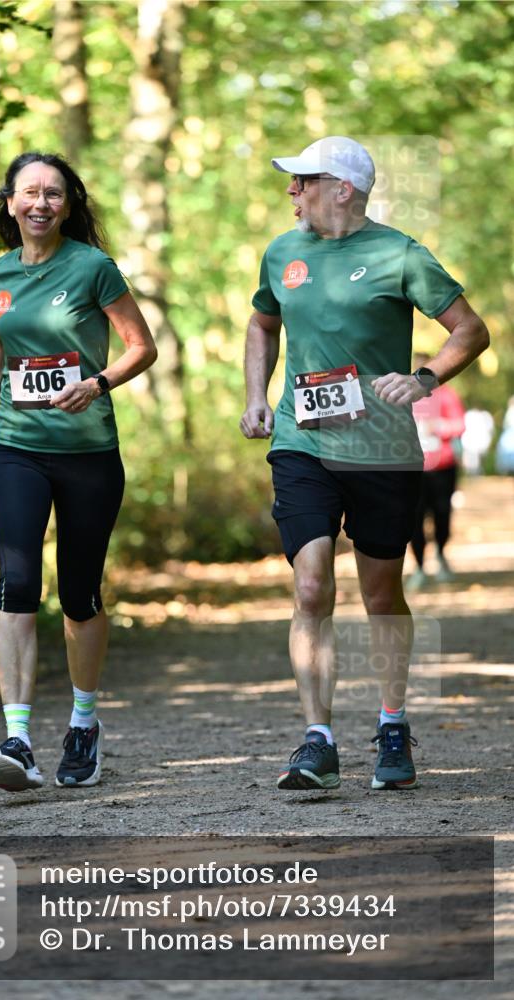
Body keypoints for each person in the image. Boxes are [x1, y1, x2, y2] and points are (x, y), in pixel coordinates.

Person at [240, 136, 489, 792]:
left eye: (302, 180)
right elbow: (262, 325)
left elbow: (469, 329)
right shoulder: (282, 253)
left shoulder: (397, 254)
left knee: (381, 594)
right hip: (302, 441)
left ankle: (391, 721)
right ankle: (317, 738)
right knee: (311, 583)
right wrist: (255, 397)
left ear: (340, 189)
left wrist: (424, 379)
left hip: (381, 449)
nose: (291, 190)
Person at [0, 152, 157, 792]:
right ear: (11, 203)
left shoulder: (93, 267)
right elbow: (0, 335)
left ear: (68, 205)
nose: (40, 203)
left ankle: (83, 724)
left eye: (53, 193)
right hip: (17, 448)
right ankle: (17, 738)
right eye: (29, 193)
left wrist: (98, 383)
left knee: (79, 595)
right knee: (16, 584)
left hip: (88, 454)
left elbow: (141, 346)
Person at [408, 352, 466, 589]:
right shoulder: (403, 397)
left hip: (442, 467)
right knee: (414, 519)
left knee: (442, 514)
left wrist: (437, 427)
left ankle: (441, 555)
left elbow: (460, 424)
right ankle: (419, 567)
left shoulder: (446, 395)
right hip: (412, 468)